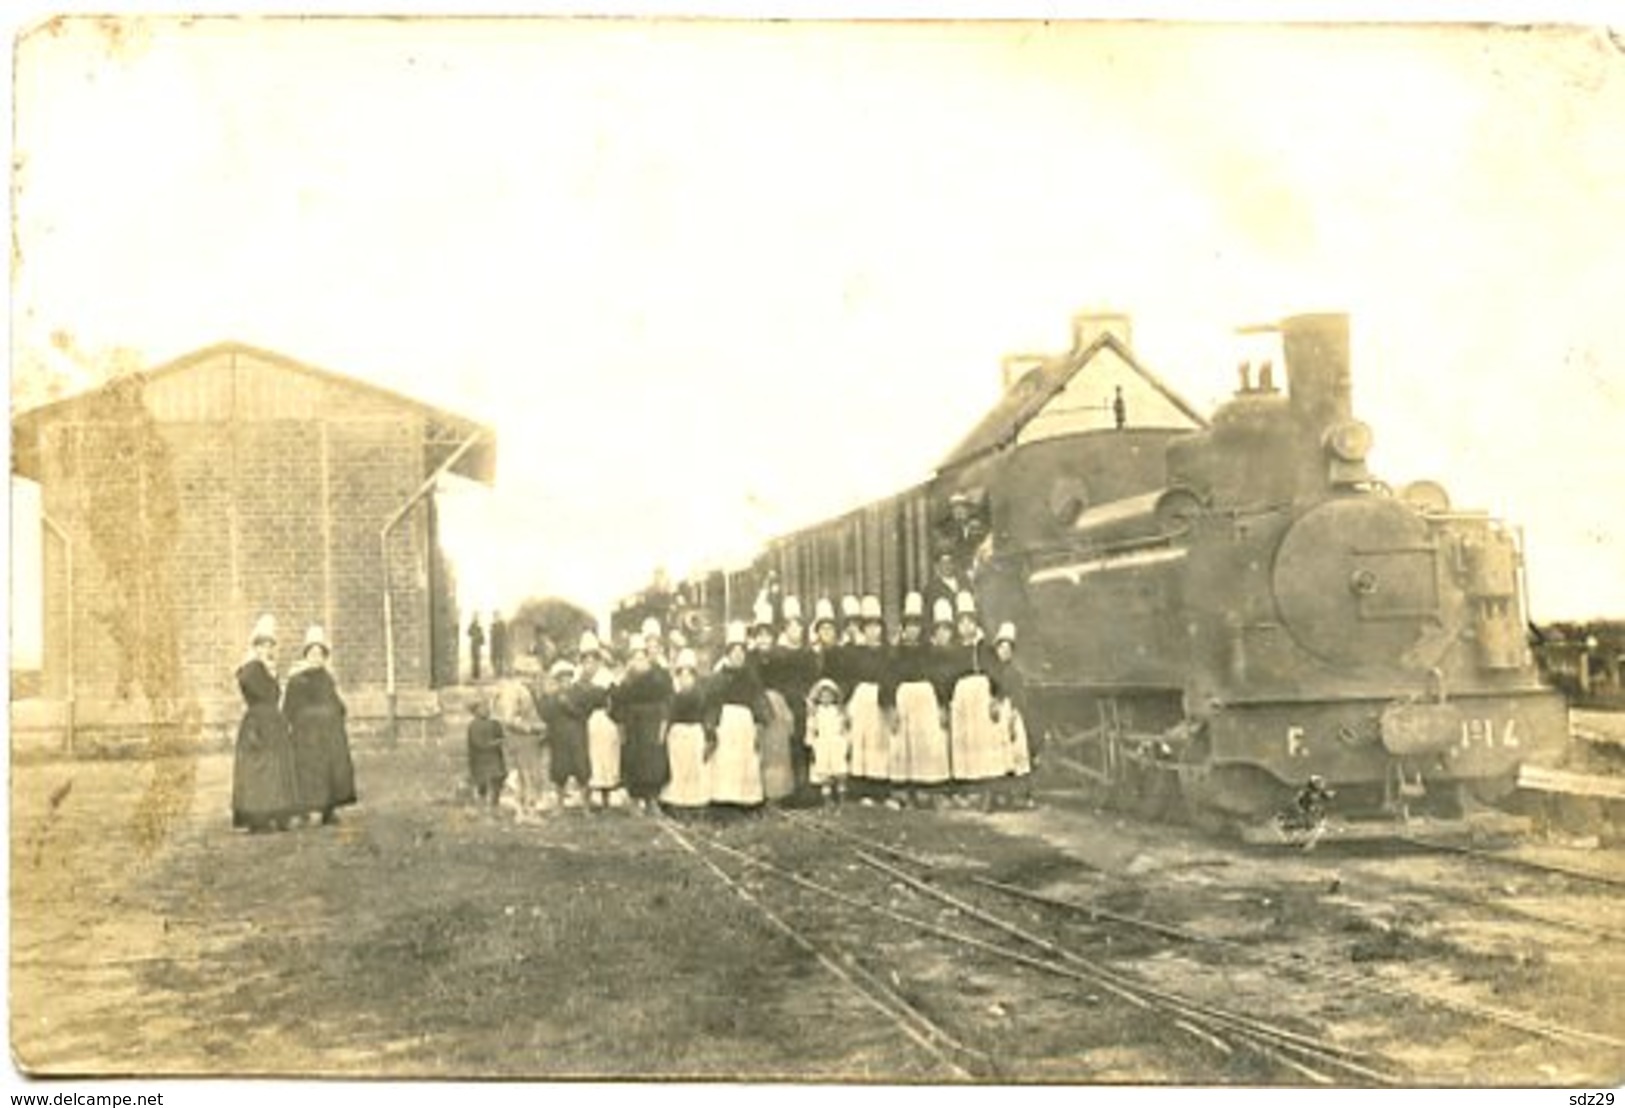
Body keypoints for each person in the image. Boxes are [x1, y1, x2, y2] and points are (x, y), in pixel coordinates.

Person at [282, 625, 357, 827]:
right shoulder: (298, 680)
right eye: (312, 653)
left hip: (329, 733)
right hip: (307, 736)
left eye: (320, 653)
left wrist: (337, 712)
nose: (317, 657)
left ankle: (329, 808)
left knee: (332, 768)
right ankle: (312, 808)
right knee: (311, 771)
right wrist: (313, 718)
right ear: (306, 655)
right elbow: (290, 709)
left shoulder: (326, 678)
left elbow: (336, 703)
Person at [231, 615, 300, 833]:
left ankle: (278, 812)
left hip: (273, 720)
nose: (268, 649)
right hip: (258, 722)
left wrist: (272, 674)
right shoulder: (251, 669)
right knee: (259, 768)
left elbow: (275, 695)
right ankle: (258, 816)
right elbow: (260, 692)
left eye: (270, 645)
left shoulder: (267, 668)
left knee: (277, 766)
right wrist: (269, 674)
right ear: (256, 646)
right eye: (263, 645)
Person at [888, 592, 949, 808]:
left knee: (927, 743)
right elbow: (890, 680)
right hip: (905, 698)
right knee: (906, 744)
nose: (913, 629)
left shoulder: (929, 651)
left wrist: (942, 705)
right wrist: (892, 708)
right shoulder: (896, 652)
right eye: (909, 625)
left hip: (926, 699)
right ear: (903, 628)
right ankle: (908, 792)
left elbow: (938, 678)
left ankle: (929, 790)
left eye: (916, 625)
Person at [946, 591, 1006, 809]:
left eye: (969, 621)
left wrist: (994, 697)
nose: (965, 626)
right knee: (967, 741)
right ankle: (972, 789)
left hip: (982, 694)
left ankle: (989, 791)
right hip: (962, 696)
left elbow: (996, 673)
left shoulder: (985, 648)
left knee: (985, 740)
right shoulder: (955, 650)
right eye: (961, 622)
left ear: (975, 623)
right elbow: (949, 677)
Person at [705, 621, 767, 815]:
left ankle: (746, 800)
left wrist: (759, 723)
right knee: (726, 759)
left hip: (745, 722)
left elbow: (757, 700)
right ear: (728, 655)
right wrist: (711, 726)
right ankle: (724, 800)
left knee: (745, 759)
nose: (738, 656)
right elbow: (712, 702)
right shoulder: (718, 678)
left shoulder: (750, 676)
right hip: (726, 722)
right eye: (734, 652)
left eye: (741, 652)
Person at [762, 595, 818, 802]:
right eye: (792, 626)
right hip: (785, 701)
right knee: (789, 739)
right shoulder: (778, 655)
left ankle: (806, 784)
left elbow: (812, 678)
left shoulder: (806, 654)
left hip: (803, 699)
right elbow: (776, 682)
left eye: (799, 626)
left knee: (807, 738)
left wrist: (809, 696)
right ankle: (791, 785)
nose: (797, 630)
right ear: (786, 629)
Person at [611, 633, 673, 813]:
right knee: (633, 761)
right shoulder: (625, 680)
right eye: (635, 656)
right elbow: (617, 702)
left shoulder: (659, 676)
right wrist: (621, 725)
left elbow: (667, 700)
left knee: (653, 761)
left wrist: (663, 723)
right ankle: (635, 800)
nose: (639, 660)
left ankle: (652, 799)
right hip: (633, 725)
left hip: (652, 723)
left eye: (642, 656)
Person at [845, 595, 892, 805]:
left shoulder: (887, 652)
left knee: (879, 742)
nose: (874, 631)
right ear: (863, 630)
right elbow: (851, 677)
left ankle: (880, 789)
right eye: (869, 627)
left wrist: (888, 701)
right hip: (861, 698)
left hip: (879, 698)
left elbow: (889, 677)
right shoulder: (856, 652)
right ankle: (861, 789)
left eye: (877, 626)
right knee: (862, 741)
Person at [750, 602, 798, 804]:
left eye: (767, 635)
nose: (763, 639)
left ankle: (778, 792)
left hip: (777, 704)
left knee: (777, 747)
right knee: (759, 746)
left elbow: (788, 683)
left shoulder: (782, 657)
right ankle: (758, 790)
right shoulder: (749, 659)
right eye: (759, 635)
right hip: (757, 704)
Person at [659, 649, 711, 818]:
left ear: (694, 677)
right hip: (677, 735)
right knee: (679, 769)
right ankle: (680, 804)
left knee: (695, 769)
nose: (685, 679)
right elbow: (668, 717)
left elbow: (704, 716)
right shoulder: (673, 696)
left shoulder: (700, 695)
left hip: (694, 733)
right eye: (681, 675)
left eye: (689, 675)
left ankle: (696, 804)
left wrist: (708, 735)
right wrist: (664, 733)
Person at [491, 660, 547, 814]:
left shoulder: (522, 690)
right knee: (525, 774)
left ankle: (527, 807)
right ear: (522, 674)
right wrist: (531, 728)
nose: (534, 679)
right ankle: (524, 810)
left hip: (527, 740)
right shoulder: (513, 691)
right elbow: (509, 719)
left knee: (528, 774)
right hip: (520, 738)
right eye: (532, 675)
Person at [989, 621, 1034, 809]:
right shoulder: (994, 671)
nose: (1004, 652)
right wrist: (992, 704)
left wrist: (1013, 718)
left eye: (1008, 649)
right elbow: (993, 693)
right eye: (1001, 647)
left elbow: (1019, 697)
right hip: (999, 712)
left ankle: (1023, 796)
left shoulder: (1015, 673)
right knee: (1000, 755)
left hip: (1011, 713)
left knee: (1017, 753)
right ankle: (1001, 796)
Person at [578, 631, 622, 810]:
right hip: (587, 721)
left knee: (606, 757)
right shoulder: (578, 676)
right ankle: (586, 798)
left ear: (598, 659)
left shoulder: (607, 676)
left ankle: (606, 798)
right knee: (589, 759)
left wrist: (612, 715)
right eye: (585, 660)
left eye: (592, 659)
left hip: (604, 720)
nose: (589, 664)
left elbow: (615, 698)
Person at [538, 659, 591, 810]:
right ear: (557, 681)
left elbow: (584, 714)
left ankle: (585, 806)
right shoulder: (552, 696)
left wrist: (568, 705)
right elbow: (545, 715)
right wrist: (546, 697)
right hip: (559, 739)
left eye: (568, 678)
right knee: (559, 773)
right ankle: (559, 805)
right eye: (561, 679)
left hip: (577, 738)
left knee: (582, 772)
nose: (565, 682)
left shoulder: (579, 693)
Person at [806, 677, 849, 806]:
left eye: (829, 696)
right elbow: (811, 730)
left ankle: (842, 799)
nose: (826, 698)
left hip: (836, 743)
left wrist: (846, 743)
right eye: (823, 696)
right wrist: (811, 745)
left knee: (840, 772)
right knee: (824, 774)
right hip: (822, 744)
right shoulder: (815, 713)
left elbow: (844, 729)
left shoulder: (838, 711)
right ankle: (827, 801)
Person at [466, 697, 507, 809]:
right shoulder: (474, 726)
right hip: (481, 759)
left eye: (487, 707)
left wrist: (500, 740)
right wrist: (495, 743)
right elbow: (479, 743)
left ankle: (495, 803)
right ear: (475, 711)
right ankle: (482, 802)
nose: (486, 710)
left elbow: (501, 736)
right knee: (482, 781)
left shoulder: (494, 723)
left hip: (495, 758)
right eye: (482, 708)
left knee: (497, 779)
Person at [490, 612, 510, 678]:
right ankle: (496, 672)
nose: (495, 618)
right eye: (495, 616)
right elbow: (492, 637)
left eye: (497, 616)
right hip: (494, 645)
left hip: (501, 644)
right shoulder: (493, 625)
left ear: (499, 616)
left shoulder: (502, 624)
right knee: (494, 658)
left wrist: (505, 644)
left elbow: (505, 635)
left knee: (500, 658)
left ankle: (500, 673)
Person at [467, 615, 486, 682]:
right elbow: (468, 633)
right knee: (474, 659)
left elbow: (482, 637)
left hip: (477, 645)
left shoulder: (479, 628)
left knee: (477, 659)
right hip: (473, 645)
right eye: (475, 618)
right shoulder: (472, 626)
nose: (476, 620)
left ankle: (477, 674)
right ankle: (474, 674)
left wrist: (481, 641)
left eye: (476, 618)